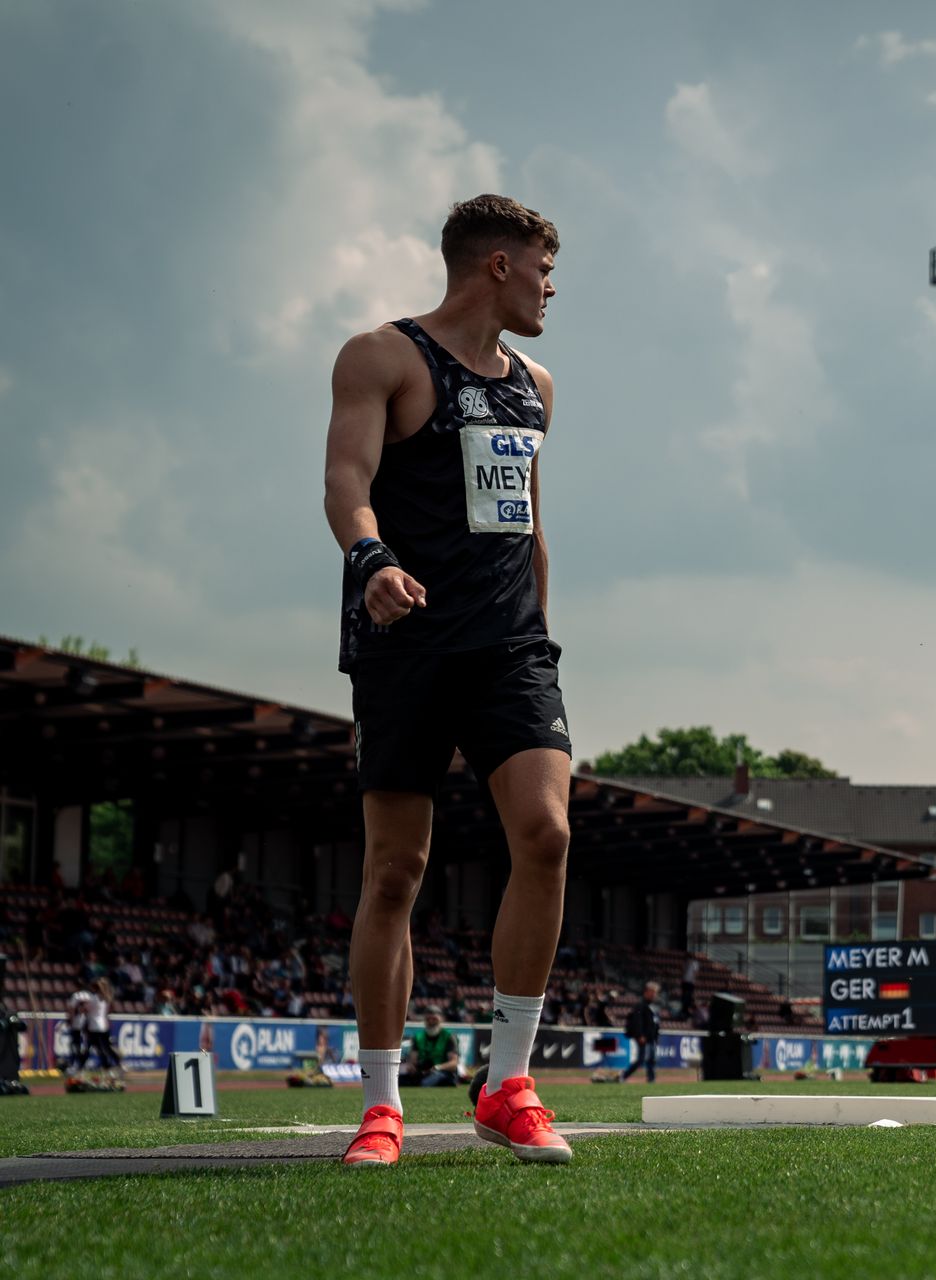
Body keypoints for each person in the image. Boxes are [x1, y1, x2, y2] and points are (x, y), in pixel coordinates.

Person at [326, 194, 572, 1168]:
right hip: (406, 639)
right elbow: (345, 478)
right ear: (499, 266)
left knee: (548, 831)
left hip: (509, 646)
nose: (554, 289)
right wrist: (372, 560)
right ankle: (382, 1106)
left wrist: (542, 639)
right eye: (545, 269)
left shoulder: (538, 385)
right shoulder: (381, 356)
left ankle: (508, 1081)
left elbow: (530, 527)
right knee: (395, 869)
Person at [403, 1008, 462, 1087]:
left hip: (443, 1072)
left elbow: (454, 1063)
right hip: (423, 1072)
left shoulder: (449, 1036)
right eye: (428, 1019)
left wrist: (437, 1067)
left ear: (441, 1019)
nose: (431, 1022)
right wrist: (412, 1067)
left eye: (434, 1019)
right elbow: (413, 1061)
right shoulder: (418, 1037)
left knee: (428, 1081)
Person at [621, 981, 663, 1084]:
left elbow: (656, 1023)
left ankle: (651, 1079)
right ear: (647, 991)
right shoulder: (640, 1005)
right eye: (653, 992)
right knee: (641, 1060)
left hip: (651, 1038)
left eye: (656, 992)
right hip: (644, 1038)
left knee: (652, 1060)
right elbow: (637, 1021)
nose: (655, 995)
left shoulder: (654, 1006)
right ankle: (624, 1076)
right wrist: (640, 1035)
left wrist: (656, 1037)